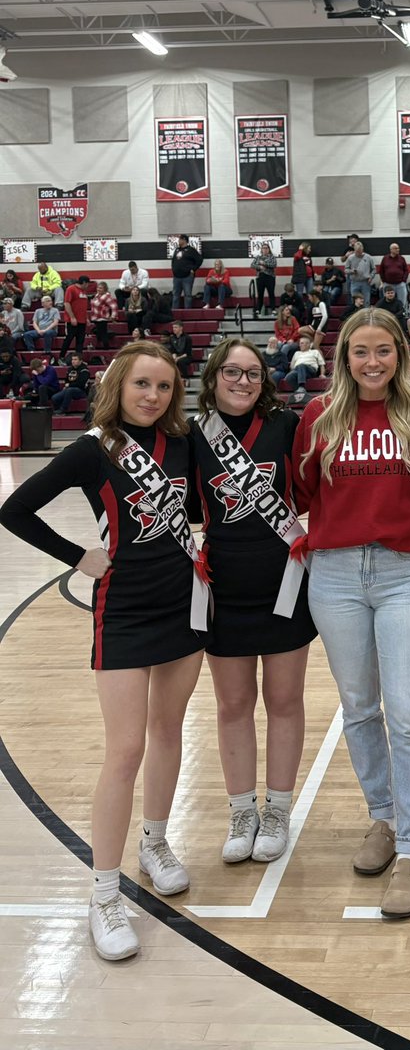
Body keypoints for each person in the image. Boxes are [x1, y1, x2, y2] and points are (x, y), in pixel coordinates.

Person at [0, 341, 208, 959]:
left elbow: (206, 506)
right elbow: (15, 510)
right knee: (126, 748)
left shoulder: (185, 444)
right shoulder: (93, 449)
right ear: (119, 385)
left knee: (170, 731)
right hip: (122, 612)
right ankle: (104, 891)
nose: (153, 396)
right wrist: (79, 557)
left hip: (184, 606)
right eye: (143, 384)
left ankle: (156, 840)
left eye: (165, 387)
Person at [294, 308, 410, 920]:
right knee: (358, 708)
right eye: (361, 352)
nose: (373, 362)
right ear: (344, 357)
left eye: (384, 351)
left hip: (405, 573)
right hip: (333, 575)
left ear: (400, 355)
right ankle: (380, 818)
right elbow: (303, 494)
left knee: (407, 714)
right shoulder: (317, 416)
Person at [191, 338, 316, 866]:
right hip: (224, 588)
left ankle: (278, 809)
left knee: (284, 701)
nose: (243, 382)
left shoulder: (287, 427)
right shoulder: (192, 434)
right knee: (233, 705)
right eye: (233, 372)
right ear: (213, 375)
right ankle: (242, 809)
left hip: (284, 585)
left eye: (254, 374)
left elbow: (311, 493)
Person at [284, 335, 326, 403]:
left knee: (301, 365)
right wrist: (291, 373)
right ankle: (300, 393)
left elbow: (322, 365)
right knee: (289, 376)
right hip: (298, 370)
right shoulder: (297, 353)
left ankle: (301, 387)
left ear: (308, 344)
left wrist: (322, 374)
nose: (300, 345)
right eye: (300, 343)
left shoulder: (315, 352)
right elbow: (292, 367)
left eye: (302, 343)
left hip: (310, 370)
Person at [60, 275, 92, 359]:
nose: (88, 286)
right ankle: (61, 357)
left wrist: (86, 318)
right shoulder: (71, 289)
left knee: (80, 341)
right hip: (72, 321)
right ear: (84, 283)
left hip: (82, 320)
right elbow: (67, 303)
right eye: (88, 283)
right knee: (69, 339)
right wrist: (72, 317)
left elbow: (83, 307)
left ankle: (79, 359)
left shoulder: (84, 292)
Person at [171, 235, 202, 311]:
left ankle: (188, 312)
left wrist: (193, 269)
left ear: (184, 240)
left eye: (179, 240)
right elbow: (174, 261)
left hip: (187, 277)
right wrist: (174, 270)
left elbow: (199, 260)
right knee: (175, 295)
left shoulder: (191, 250)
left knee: (187, 295)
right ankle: (174, 312)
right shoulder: (177, 250)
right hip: (176, 277)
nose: (178, 241)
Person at [250, 242, 278, 317]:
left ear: (269, 249)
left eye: (266, 248)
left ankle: (273, 309)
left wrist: (264, 263)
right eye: (263, 248)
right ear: (261, 249)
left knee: (271, 293)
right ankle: (258, 309)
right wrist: (259, 267)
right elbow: (252, 265)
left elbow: (274, 265)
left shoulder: (272, 257)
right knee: (260, 294)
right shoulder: (258, 257)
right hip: (260, 277)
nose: (265, 250)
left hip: (270, 277)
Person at [380, 243, 410, 310]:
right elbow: (381, 270)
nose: (398, 250)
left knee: (402, 301)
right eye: (396, 248)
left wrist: (403, 281)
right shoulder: (385, 258)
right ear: (391, 250)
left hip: (400, 284)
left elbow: (406, 270)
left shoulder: (402, 258)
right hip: (388, 284)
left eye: (398, 248)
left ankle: (402, 313)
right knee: (387, 301)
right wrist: (384, 280)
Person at [345, 241, 376, 305]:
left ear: (363, 249)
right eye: (357, 252)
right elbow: (346, 270)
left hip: (365, 282)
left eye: (360, 251)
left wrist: (371, 277)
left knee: (366, 301)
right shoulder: (350, 258)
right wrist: (352, 271)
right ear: (354, 250)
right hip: (354, 282)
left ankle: (366, 314)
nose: (358, 253)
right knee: (354, 302)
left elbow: (374, 269)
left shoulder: (368, 257)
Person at [90, 282, 117, 350]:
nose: (98, 289)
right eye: (98, 288)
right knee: (98, 333)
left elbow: (114, 306)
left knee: (103, 334)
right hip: (96, 318)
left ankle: (106, 349)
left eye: (100, 288)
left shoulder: (107, 296)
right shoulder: (97, 295)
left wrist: (113, 316)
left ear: (105, 289)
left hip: (102, 318)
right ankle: (99, 347)